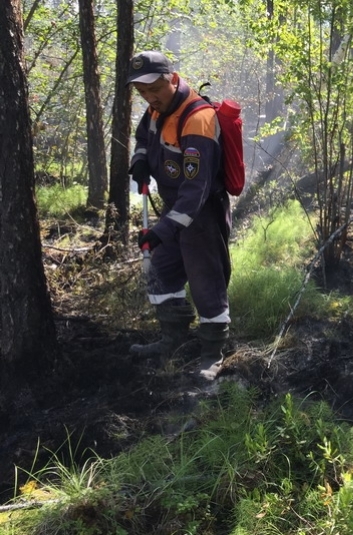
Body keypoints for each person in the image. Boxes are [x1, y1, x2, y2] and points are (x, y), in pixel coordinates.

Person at [127, 51, 232, 377]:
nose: (149, 97)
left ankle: (212, 354)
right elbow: (143, 136)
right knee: (161, 271)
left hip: (200, 214)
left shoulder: (198, 119)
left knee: (205, 282)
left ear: (172, 79)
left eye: (154, 89)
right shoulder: (156, 109)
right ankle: (173, 339)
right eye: (142, 92)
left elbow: (195, 191)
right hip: (176, 210)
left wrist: (161, 231)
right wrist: (140, 161)